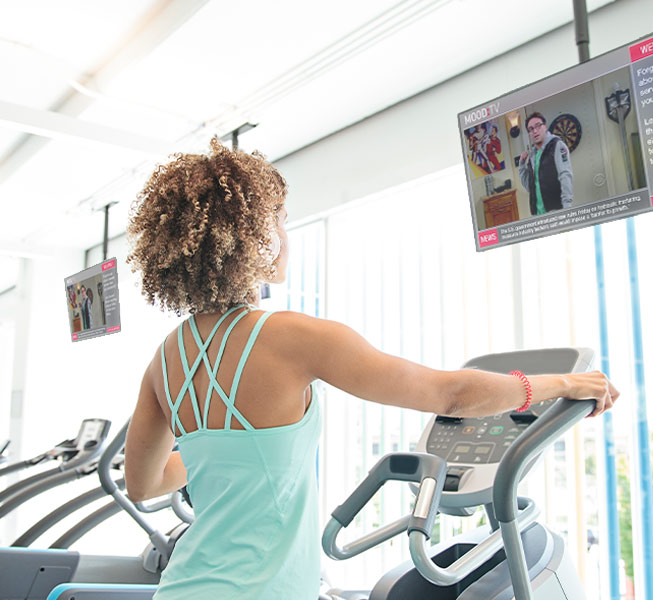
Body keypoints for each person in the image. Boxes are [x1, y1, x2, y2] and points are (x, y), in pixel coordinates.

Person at [124, 139, 618, 599]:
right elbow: (451, 396)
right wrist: (568, 382)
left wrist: (223, 459)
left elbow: (144, 484)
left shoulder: (165, 359)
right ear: (252, 238)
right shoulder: (295, 338)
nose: (284, 237)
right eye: (279, 221)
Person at [518, 111, 573, 215]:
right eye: (531, 129)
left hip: (557, 211)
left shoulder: (557, 146)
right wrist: (521, 165)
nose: (535, 131)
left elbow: (565, 176)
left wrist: (567, 208)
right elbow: (529, 187)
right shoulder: (532, 155)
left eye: (538, 126)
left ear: (545, 127)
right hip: (538, 215)